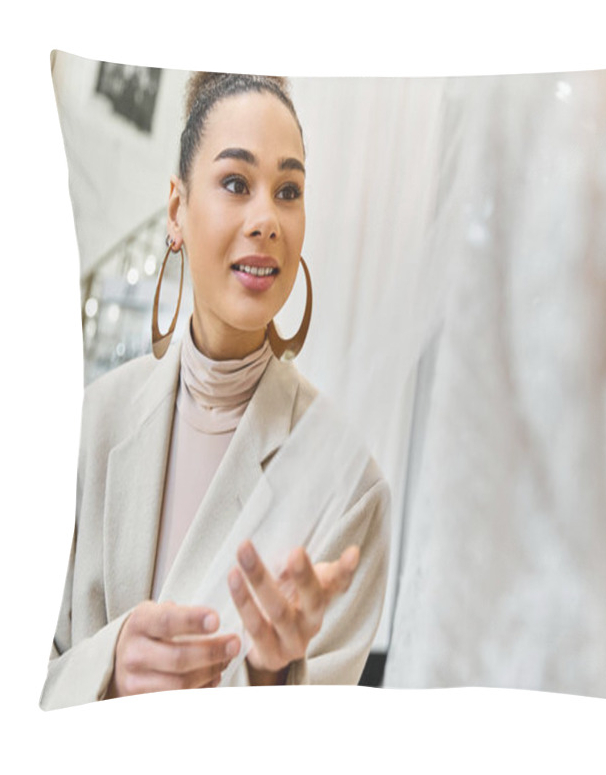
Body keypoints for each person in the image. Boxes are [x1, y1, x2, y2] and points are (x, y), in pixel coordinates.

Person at [40, 72, 391, 709]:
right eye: (235, 183)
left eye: (289, 190)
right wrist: (110, 667)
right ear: (176, 209)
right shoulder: (87, 429)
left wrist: (271, 672)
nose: (267, 219)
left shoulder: (349, 486)